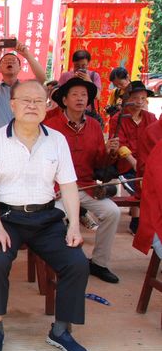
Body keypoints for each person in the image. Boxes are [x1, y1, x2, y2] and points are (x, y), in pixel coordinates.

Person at [0, 80, 90, 351]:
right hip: (7, 217)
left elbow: (68, 185)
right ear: (12, 105)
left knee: (77, 262)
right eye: (25, 100)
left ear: (47, 106)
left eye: (38, 101)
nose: (32, 105)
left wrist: (74, 225)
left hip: (47, 218)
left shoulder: (57, 140)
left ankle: (61, 330)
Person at [44, 78, 121, 283]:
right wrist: (49, 188)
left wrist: (109, 152)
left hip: (86, 186)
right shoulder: (50, 126)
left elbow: (99, 163)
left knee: (112, 212)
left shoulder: (94, 125)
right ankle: (63, 264)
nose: (80, 99)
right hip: (58, 189)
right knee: (56, 217)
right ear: (65, 100)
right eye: (75, 95)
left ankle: (99, 263)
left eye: (84, 95)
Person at [107, 81, 157, 234]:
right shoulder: (118, 118)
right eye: (135, 98)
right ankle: (137, 221)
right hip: (127, 164)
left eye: (143, 98)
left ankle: (150, 220)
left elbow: (157, 139)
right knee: (140, 185)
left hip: (148, 163)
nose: (139, 102)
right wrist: (135, 163)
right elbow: (120, 144)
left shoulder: (150, 117)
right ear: (126, 99)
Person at [0, 39, 46, 131]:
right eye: (5, 60)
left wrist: (27, 55)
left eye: (13, 60)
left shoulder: (26, 87)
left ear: (20, 68)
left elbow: (42, 78)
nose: (9, 62)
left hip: (23, 136)